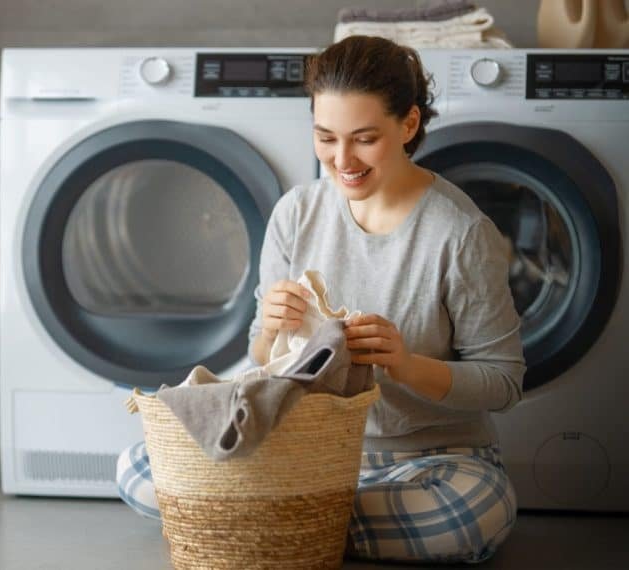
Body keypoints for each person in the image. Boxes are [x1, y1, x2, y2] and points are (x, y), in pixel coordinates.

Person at [117, 35, 525, 564]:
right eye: (325, 137)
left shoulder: (461, 233)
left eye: (364, 138)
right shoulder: (296, 213)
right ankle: (301, 517)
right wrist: (268, 329)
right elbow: (264, 359)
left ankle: (262, 520)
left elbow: (503, 381)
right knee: (135, 469)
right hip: (303, 450)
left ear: (408, 125)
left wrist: (404, 364)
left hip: (428, 460)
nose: (342, 159)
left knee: (473, 512)